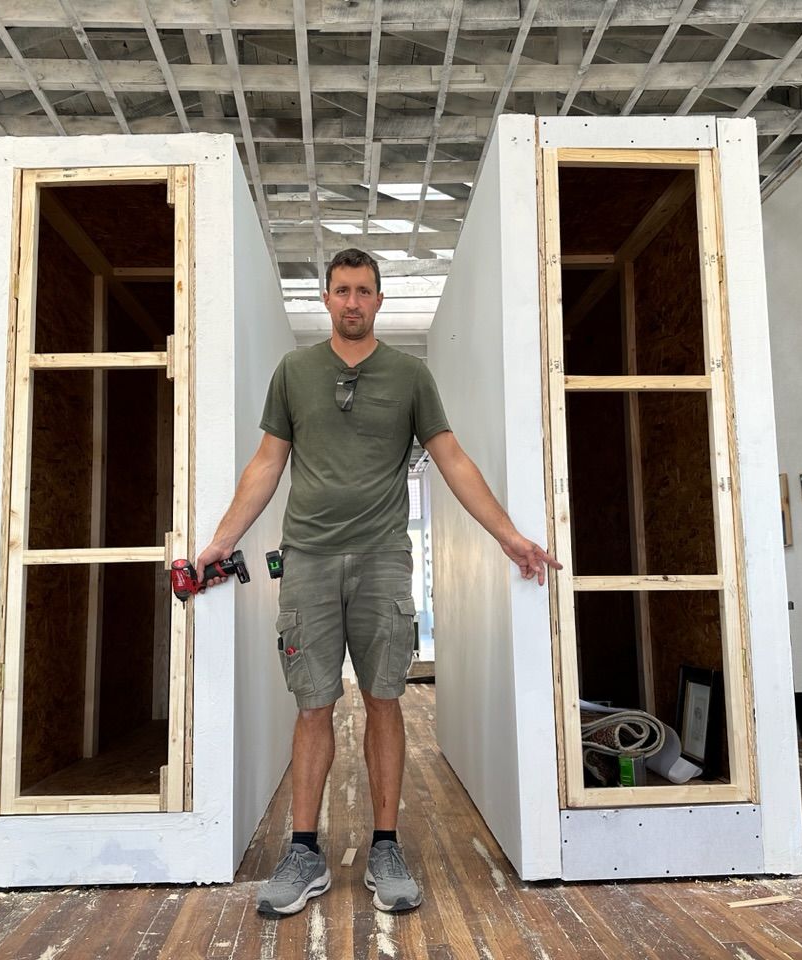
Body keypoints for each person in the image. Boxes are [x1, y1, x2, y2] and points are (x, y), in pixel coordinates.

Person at [193, 248, 559, 919]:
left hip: (384, 559)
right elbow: (266, 464)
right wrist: (222, 540)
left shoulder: (410, 375)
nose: (352, 302)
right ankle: (304, 852)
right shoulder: (295, 373)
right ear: (325, 300)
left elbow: (451, 458)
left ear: (379, 300)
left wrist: (507, 535)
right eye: (341, 291)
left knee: (387, 700)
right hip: (306, 560)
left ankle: (385, 845)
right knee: (313, 706)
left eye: (364, 291)